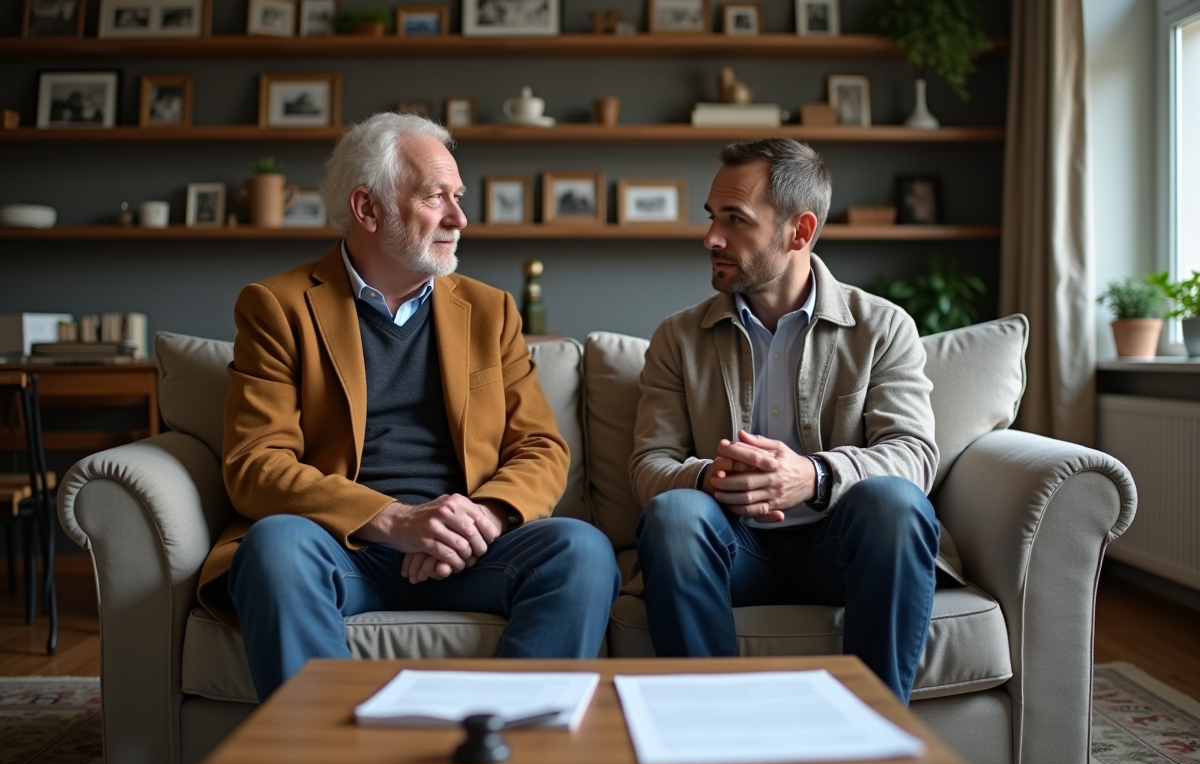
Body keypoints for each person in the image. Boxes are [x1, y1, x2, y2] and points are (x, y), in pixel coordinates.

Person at [197, 112, 621, 700]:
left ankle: (510, 752)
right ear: (367, 209)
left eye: (458, 197)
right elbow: (256, 463)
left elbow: (540, 447)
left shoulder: (490, 310)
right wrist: (397, 523)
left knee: (582, 550)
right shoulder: (278, 307)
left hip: (472, 549)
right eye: (435, 197)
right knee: (274, 548)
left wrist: (482, 519)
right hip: (346, 548)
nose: (459, 217)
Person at [630, 137, 954, 704]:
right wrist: (709, 479)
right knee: (675, 513)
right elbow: (648, 464)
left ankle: (876, 740)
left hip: (840, 551)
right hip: (732, 553)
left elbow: (913, 455)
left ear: (799, 232)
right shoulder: (677, 339)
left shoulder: (883, 327)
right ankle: (709, 739)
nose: (711, 238)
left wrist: (816, 477)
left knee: (896, 504)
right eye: (712, 218)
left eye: (735, 220)